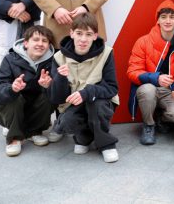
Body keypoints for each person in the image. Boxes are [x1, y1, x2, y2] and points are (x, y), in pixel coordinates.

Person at [48, 13, 120, 163]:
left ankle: (106, 144)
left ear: (95, 36)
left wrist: (87, 92)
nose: (83, 39)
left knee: (96, 104)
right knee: (66, 122)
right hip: (73, 105)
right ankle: (84, 136)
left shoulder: (106, 53)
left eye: (88, 34)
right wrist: (60, 79)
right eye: (79, 33)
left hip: (100, 101)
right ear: (71, 33)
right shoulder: (58, 57)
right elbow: (56, 98)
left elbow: (112, 88)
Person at [127, 0, 174, 145]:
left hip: (169, 90)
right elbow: (132, 71)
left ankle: (161, 119)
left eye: (172, 17)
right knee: (148, 90)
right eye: (163, 17)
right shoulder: (143, 42)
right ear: (158, 21)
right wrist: (156, 78)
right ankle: (148, 125)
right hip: (149, 86)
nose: (168, 21)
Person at [0, 25, 55, 157]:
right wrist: (12, 88)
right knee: (15, 96)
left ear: (49, 45)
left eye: (44, 41)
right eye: (35, 40)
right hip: (12, 110)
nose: (40, 44)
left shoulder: (52, 61)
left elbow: (60, 94)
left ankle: (35, 131)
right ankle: (14, 138)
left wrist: (49, 86)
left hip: (35, 109)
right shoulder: (10, 59)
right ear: (26, 43)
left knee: (49, 94)